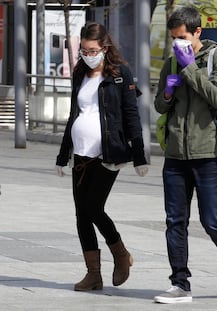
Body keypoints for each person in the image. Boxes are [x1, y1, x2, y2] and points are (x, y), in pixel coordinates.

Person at [153, 6, 217, 304]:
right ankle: (179, 283)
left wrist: (190, 68)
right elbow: (159, 106)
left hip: (209, 154)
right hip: (176, 156)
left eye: (182, 38)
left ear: (197, 32)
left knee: (212, 220)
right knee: (174, 221)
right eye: (173, 39)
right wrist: (168, 93)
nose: (177, 44)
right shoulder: (170, 63)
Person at [55, 22, 148, 291]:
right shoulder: (79, 74)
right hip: (81, 153)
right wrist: (63, 155)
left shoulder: (120, 75)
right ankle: (93, 274)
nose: (87, 54)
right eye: (83, 50)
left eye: (92, 50)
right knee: (81, 215)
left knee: (94, 207)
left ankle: (120, 254)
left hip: (108, 153)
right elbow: (74, 114)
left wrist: (139, 155)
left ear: (104, 48)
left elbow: (131, 115)